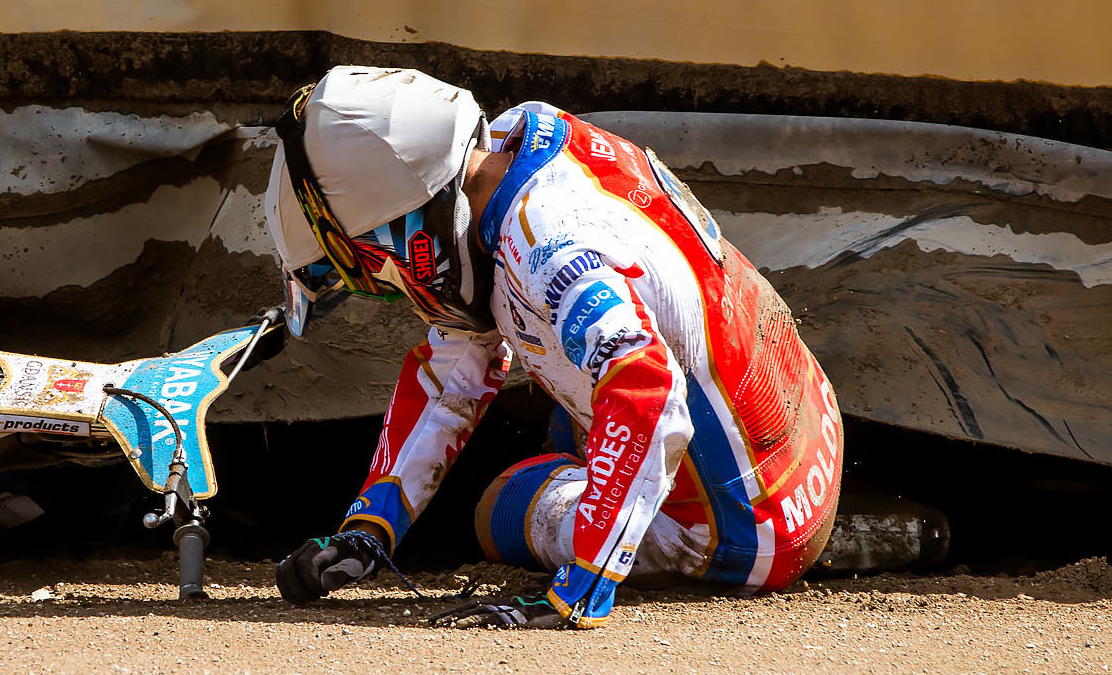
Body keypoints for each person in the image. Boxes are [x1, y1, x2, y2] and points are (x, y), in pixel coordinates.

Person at [267, 66, 843, 628]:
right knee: (575, 390)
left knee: (500, 505)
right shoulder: (524, 142)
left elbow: (646, 386)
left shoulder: (548, 247)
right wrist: (368, 531)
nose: (382, 288)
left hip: (747, 531)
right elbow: (457, 362)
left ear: (405, 227)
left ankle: (655, 542)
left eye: (362, 269)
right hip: (809, 424)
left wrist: (583, 584)